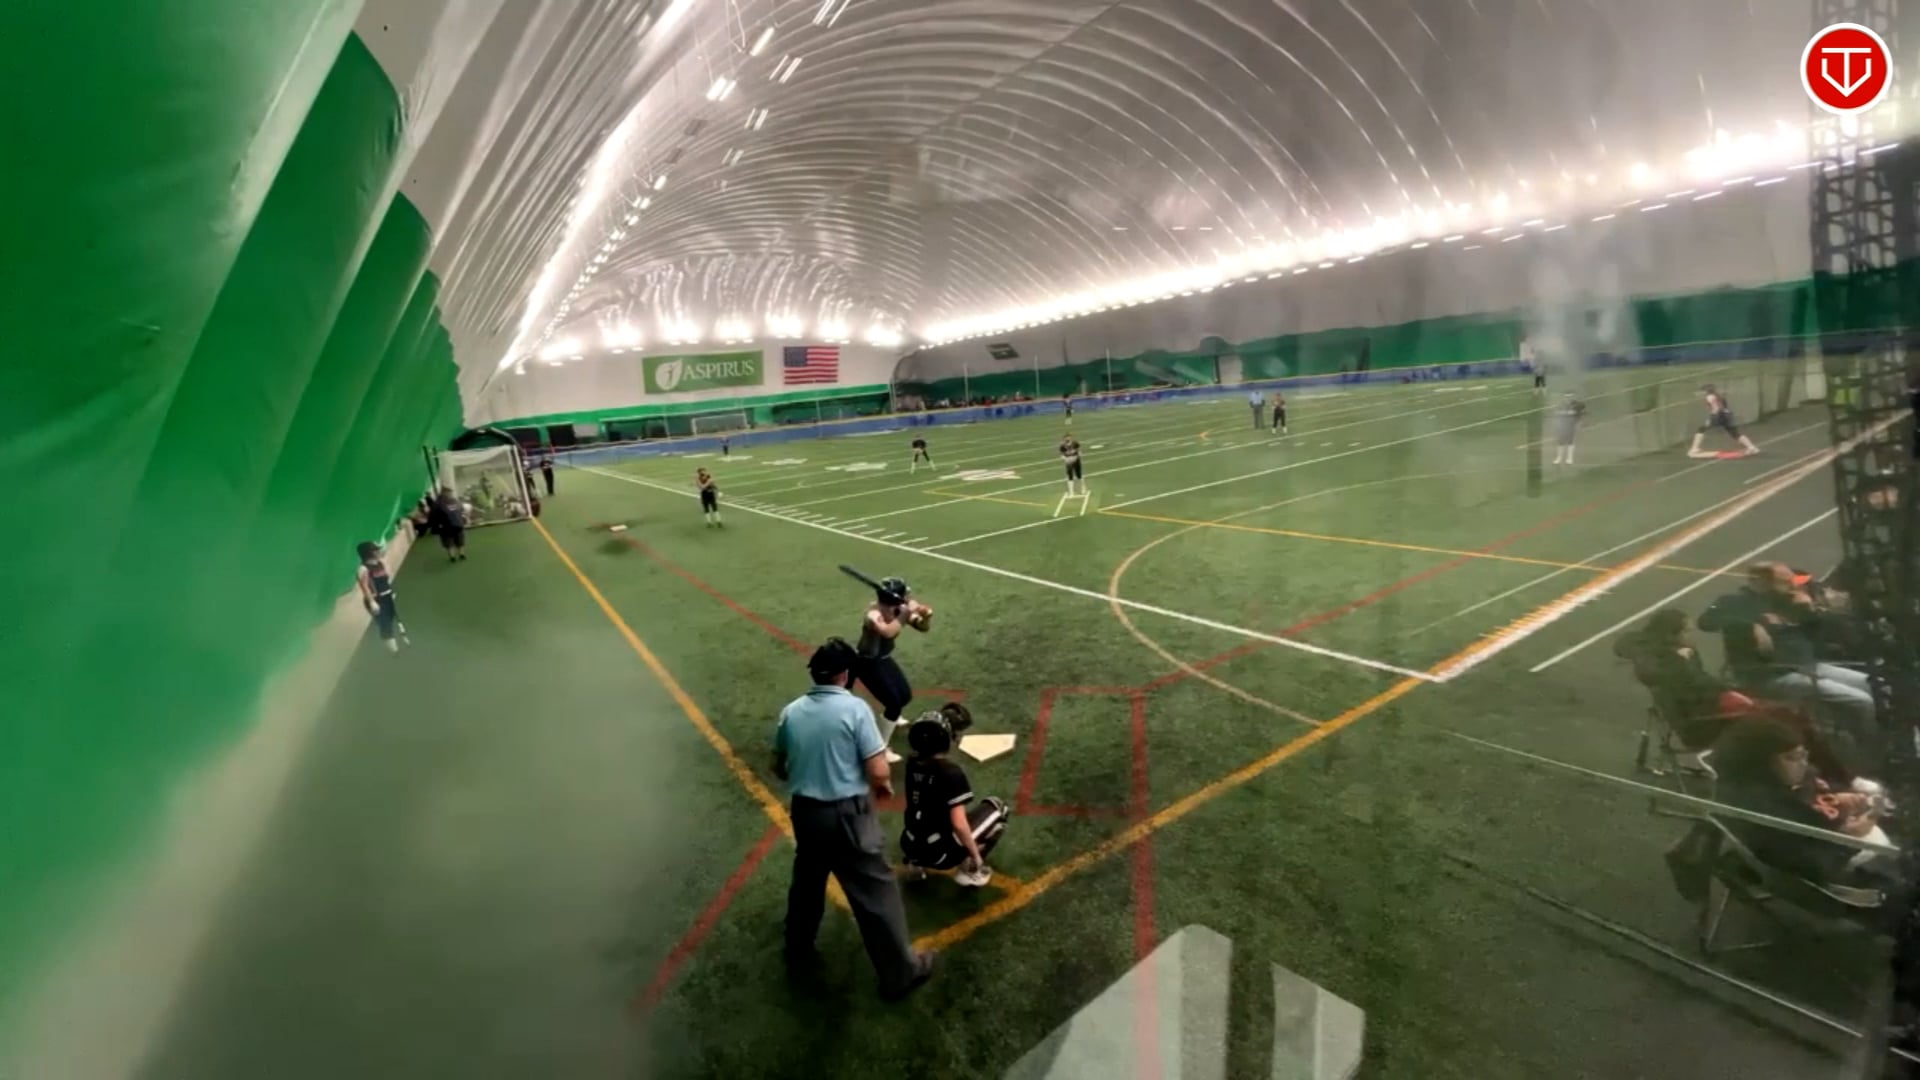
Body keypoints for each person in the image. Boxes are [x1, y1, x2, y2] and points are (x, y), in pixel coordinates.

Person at [774, 639, 935, 999]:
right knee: (875, 889)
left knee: (807, 880)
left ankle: (797, 945)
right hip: (845, 814)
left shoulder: (791, 712)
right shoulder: (855, 709)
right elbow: (878, 770)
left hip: (806, 812)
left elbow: (779, 766)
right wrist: (882, 787)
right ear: (845, 675)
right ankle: (901, 974)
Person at [1699, 563, 1876, 740]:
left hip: (1807, 666)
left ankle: (1857, 728)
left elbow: (1817, 635)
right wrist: (1750, 625)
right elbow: (1705, 622)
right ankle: (1871, 742)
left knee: (1876, 685)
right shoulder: (1731, 602)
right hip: (1772, 675)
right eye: (1784, 582)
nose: (1792, 585)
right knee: (1861, 700)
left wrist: (1811, 611)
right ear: (1761, 582)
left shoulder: (1785, 601)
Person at [1710, 718, 1894, 887]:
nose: (1804, 763)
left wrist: (1837, 799)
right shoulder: (1769, 812)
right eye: (1793, 757)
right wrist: (1852, 833)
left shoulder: (1759, 787)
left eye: (1804, 755)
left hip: (1829, 844)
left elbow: (1810, 800)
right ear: (1760, 764)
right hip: (1833, 872)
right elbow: (1817, 863)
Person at [900, 703, 1009, 887]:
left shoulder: (912, 764)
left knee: (924, 814)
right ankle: (970, 870)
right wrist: (976, 856)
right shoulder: (950, 772)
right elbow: (959, 824)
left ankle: (914, 866)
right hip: (940, 855)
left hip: (909, 844)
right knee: (999, 809)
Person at [852, 576, 931, 752]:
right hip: (867, 663)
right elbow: (887, 632)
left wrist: (926, 616)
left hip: (883, 659)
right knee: (894, 705)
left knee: (905, 697)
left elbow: (922, 627)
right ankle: (879, 748)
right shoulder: (873, 613)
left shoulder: (897, 610)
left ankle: (889, 719)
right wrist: (906, 613)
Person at [355, 540, 408, 654]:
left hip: (387, 596)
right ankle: (394, 653)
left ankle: (394, 645)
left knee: (390, 619)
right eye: (375, 550)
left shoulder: (380, 564)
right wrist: (372, 602)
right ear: (368, 553)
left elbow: (385, 580)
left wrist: (390, 592)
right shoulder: (363, 569)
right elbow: (365, 587)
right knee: (385, 625)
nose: (378, 551)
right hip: (376, 600)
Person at [1688, 384, 1760, 457]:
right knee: (1734, 433)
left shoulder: (1709, 397)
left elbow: (1716, 408)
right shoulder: (1718, 395)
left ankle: (1694, 448)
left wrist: (1712, 417)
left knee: (1701, 429)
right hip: (1727, 414)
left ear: (1706, 391)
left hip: (1719, 415)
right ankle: (1752, 447)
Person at [428, 486, 467, 562]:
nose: (450, 494)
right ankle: (454, 556)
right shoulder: (439, 503)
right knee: (451, 542)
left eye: (451, 492)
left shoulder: (452, 501)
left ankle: (460, 555)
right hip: (448, 526)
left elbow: (461, 509)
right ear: (444, 492)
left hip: (454, 525)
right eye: (449, 492)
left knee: (457, 541)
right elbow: (433, 515)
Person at [1550, 392, 1586, 465]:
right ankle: (1559, 458)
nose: (1568, 398)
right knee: (1560, 441)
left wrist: (1578, 418)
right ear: (1564, 397)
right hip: (1562, 424)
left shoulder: (1577, 404)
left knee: (1570, 441)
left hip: (1572, 424)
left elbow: (1582, 409)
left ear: (1573, 397)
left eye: (1570, 397)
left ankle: (1569, 458)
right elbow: (1555, 412)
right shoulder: (1561, 404)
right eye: (1567, 397)